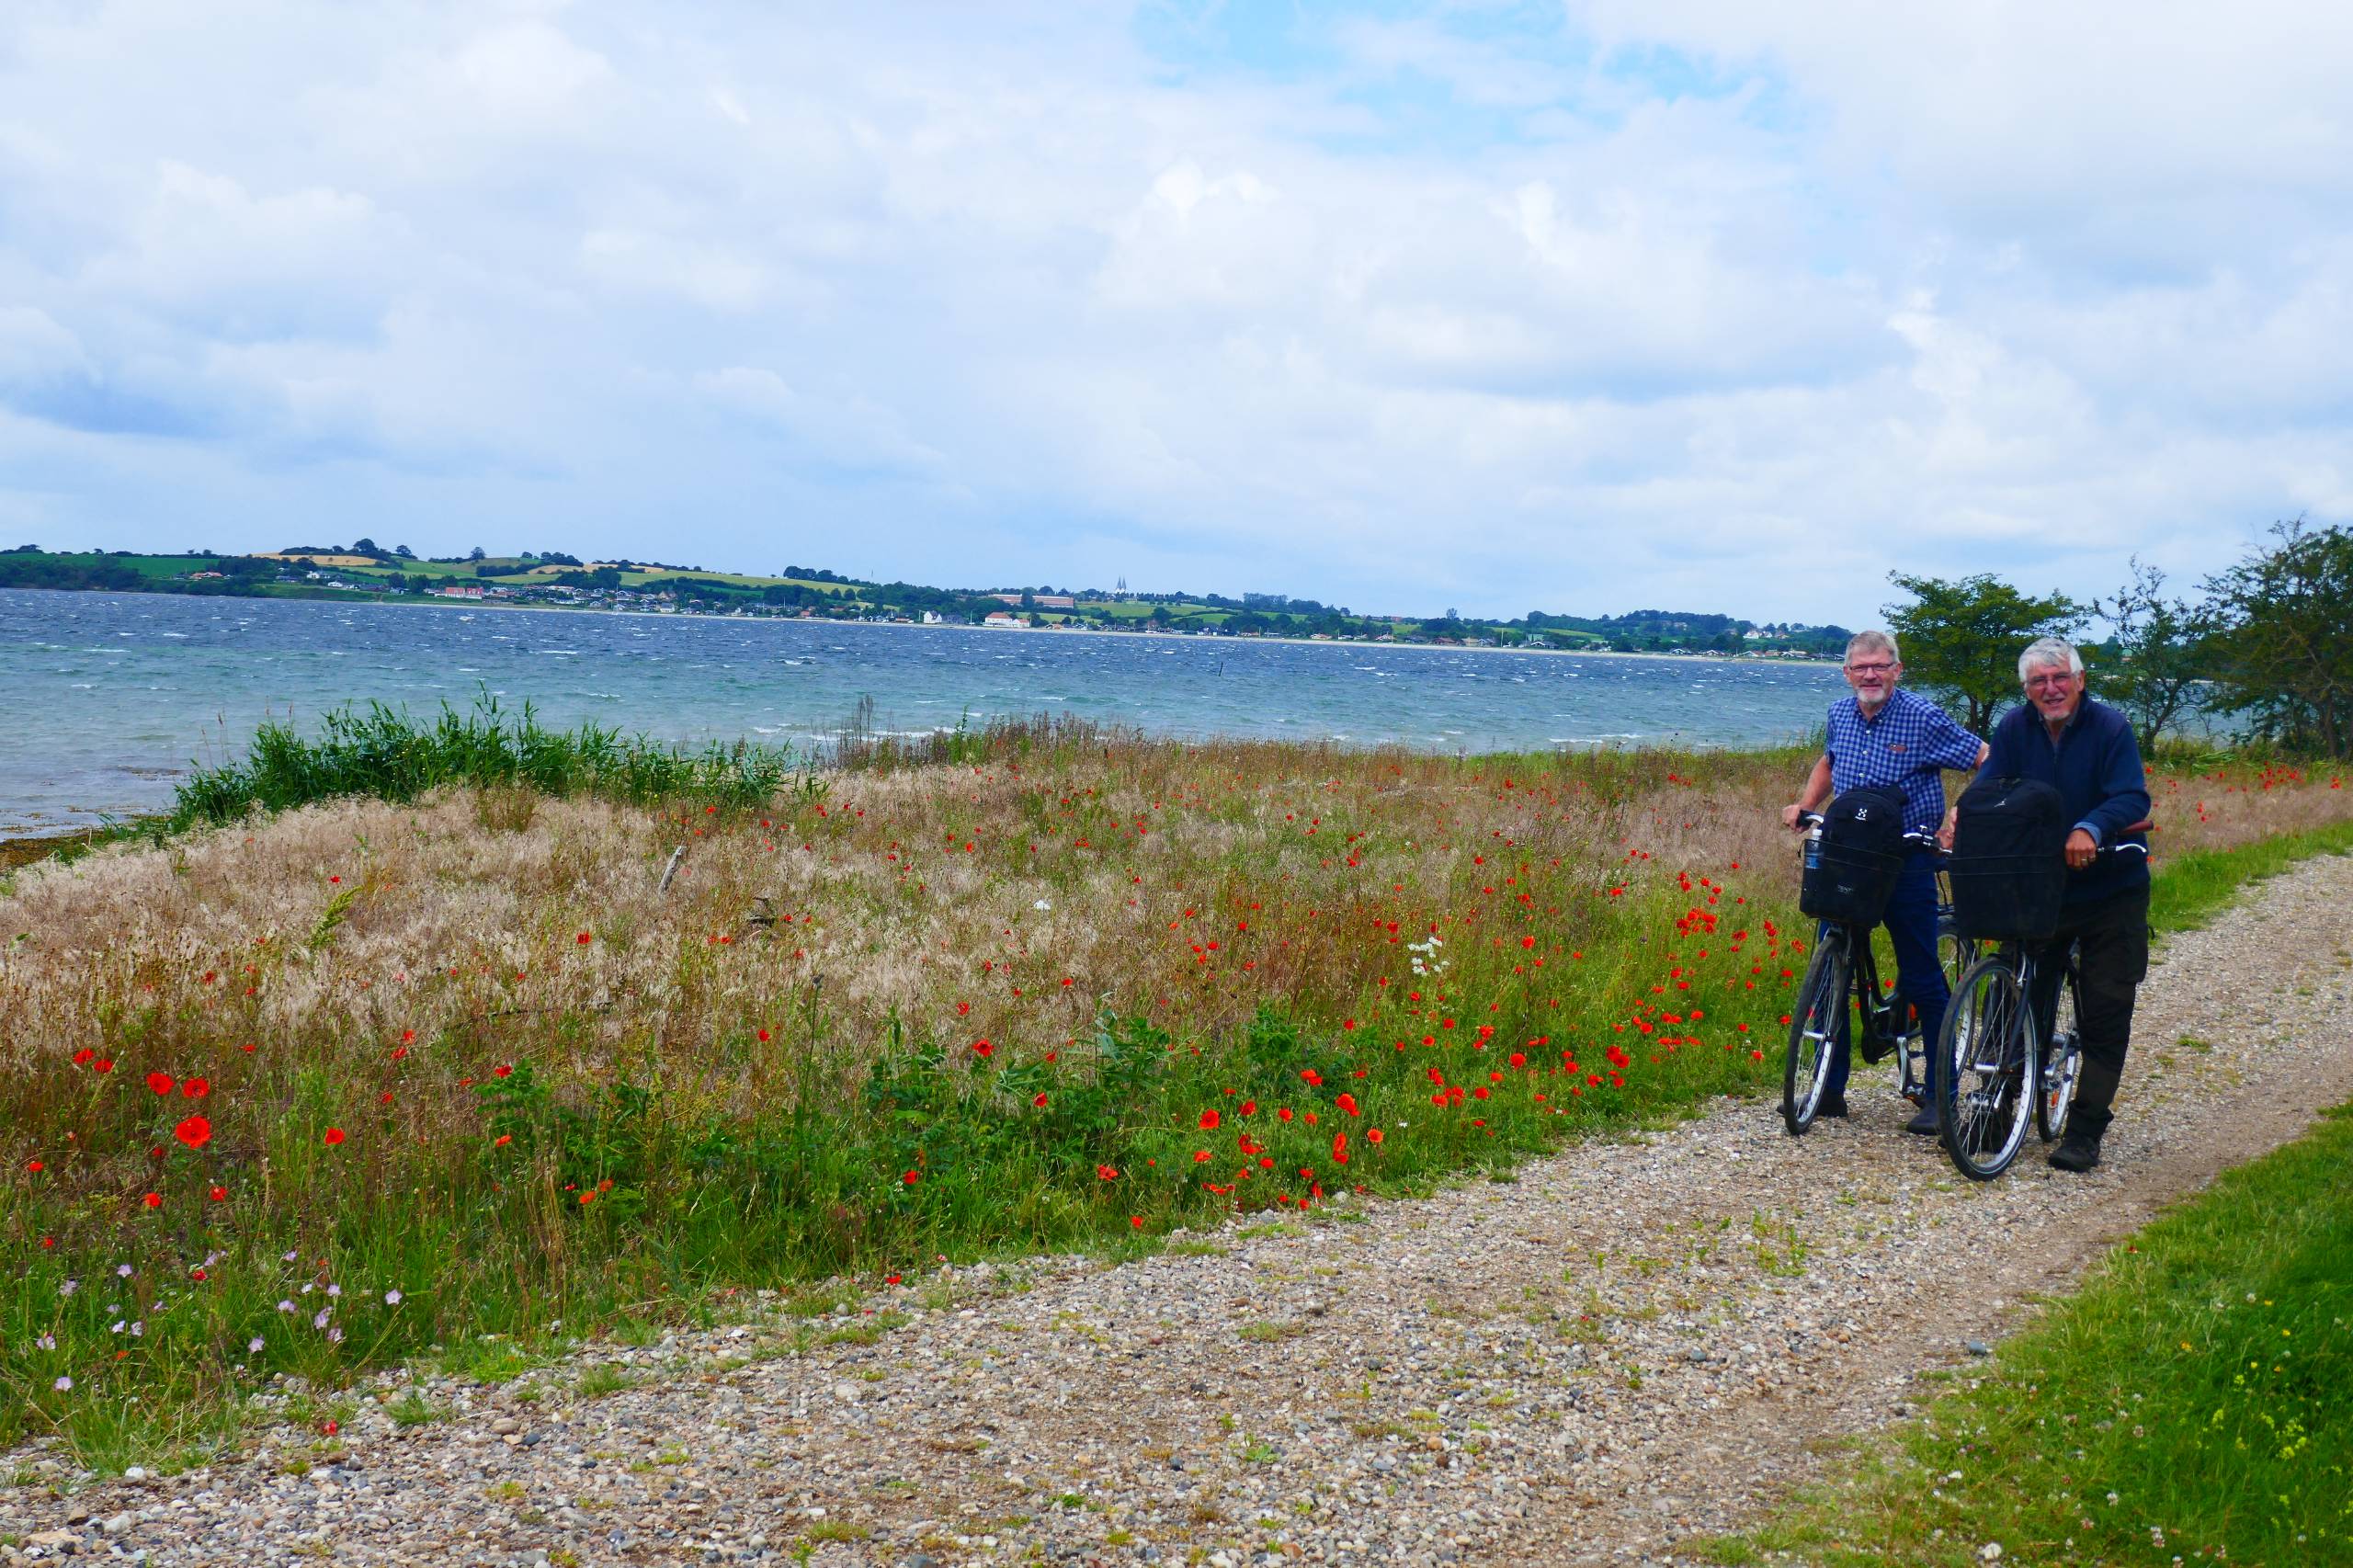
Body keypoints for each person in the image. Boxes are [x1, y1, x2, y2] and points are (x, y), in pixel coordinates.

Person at [1783, 631, 1990, 1130]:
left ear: (1898, 670)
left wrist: (1960, 814)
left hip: (1906, 858)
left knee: (1921, 974)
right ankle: (1828, 1089)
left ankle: (1943, 1096)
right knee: (1831, 968)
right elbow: (1831, 760)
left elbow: (1988, 758)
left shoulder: (1921, 716)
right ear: (1847, 672)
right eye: (1861, 667)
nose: (1870, 675)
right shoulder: (1840, 714)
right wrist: (1807, 804)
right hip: (1848, 855)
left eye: (1880, 666)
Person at [1975, 635, 2151, 1172]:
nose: (2050, 689)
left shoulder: (2109, 728)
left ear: (2079, 680)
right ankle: (1996, 1111)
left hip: (2109, 887)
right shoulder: (2013, 727)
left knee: (2105, 1008)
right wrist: (1967, 816)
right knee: (2011, 998)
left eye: (2059, 678)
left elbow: (2132, 797)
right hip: (2040, 886)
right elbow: (1992, 784)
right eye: (2038, 681)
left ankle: (2086, 1129)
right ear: (2027, 689)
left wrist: (2090, 827)